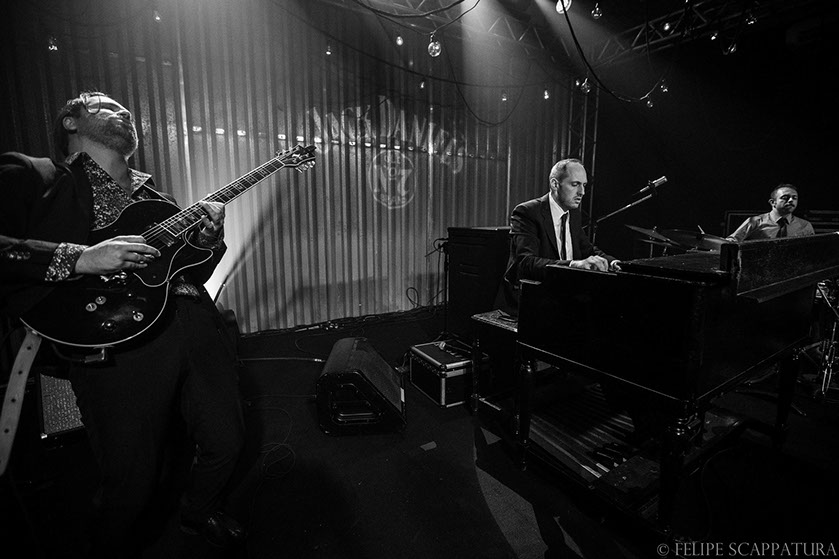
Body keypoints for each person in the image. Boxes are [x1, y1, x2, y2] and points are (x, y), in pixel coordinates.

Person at [0, 91, 246, 556]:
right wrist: (80, 257)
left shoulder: (158, 199)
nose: (123, 111)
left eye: (125, 109)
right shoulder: (35, 175)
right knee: (132, 481)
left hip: (194, 324)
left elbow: (190, 272)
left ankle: (198, 511)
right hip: (117, 345)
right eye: (105, 105)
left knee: (227, 441)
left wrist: (208, 242)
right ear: (70, 121)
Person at [498, 158, 620, 315]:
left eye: (584, 185)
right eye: (575, 184)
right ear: (555, 184)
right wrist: (573, 265)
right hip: (530, 300)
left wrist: (612, 262)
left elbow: (588, 250)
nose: (582, 192)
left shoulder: (573, 214)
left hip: (562, 296)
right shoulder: (527, 212)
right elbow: (526, 263)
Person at [726, 183, 815, 241]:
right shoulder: (755, 222)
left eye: (794, 198)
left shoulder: (805, 226)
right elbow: (731, 242)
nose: (791, 200)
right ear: (772, 202)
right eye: (785, 197)